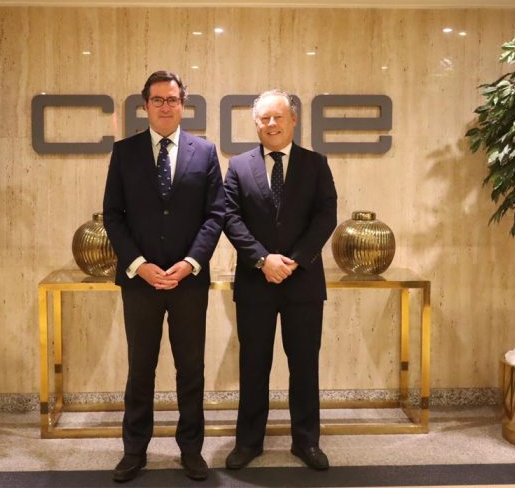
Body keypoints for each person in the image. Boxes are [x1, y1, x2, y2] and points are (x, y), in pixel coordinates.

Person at [102, 70, 225, 482]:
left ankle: (191, 450)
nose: (165, 106)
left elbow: (215, 215)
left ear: (183, 104)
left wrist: (190, 263)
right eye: (158, 100)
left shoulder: (204, 152)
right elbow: (113, 216)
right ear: (145, 106)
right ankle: (134, 450)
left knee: (191, 369)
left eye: (172, 99)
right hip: (141, 281)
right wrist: (139, 264)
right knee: (141, 369)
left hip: (188, 281)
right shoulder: (125, 152)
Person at [222, 89, 338, 471]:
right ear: (256, 123)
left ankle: (306, 442)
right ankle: (248, 442)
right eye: (264, 118)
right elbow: (230, 217)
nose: (271, 124)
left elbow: (325, 216)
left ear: (293, 120)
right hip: (256, 282)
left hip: (302, 282)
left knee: (304, 366)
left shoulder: (315, 164)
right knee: (253, 365)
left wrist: (295, 260)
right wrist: (262, 259)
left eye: (278, 117)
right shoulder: (238, 166)